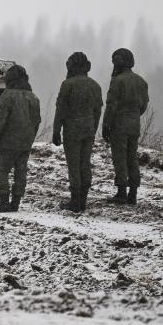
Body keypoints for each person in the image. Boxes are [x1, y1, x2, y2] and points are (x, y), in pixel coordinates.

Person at [52, 51, 104, 213]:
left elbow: (61, 110)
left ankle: (75, 201)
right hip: (88, 131)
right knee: (85, 164)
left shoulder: (67, 85)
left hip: (72, 131)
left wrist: (56, 131)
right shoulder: (95, 85)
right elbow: (97, 111)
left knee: (74, 165)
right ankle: (83, 200)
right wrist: (93, 129)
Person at [0, 64, 41, 213]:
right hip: (25, 142)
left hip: (8, 141)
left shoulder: (8, 95)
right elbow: (37, 121)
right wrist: (30, 137)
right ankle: (16, 202)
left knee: (1, 170)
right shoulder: (33, 97)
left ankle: (4, 201)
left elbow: (0, 119)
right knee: (21, 171)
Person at [102, 47, 150, 205]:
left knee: (120, 157)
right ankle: (133, 194)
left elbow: (111, 105)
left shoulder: (117, 81)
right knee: (132, 157)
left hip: (119, 124)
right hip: (134, 124)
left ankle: (121, 192)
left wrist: (106, 125)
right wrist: (133, 115)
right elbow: (144, 105)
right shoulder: (141, 81)